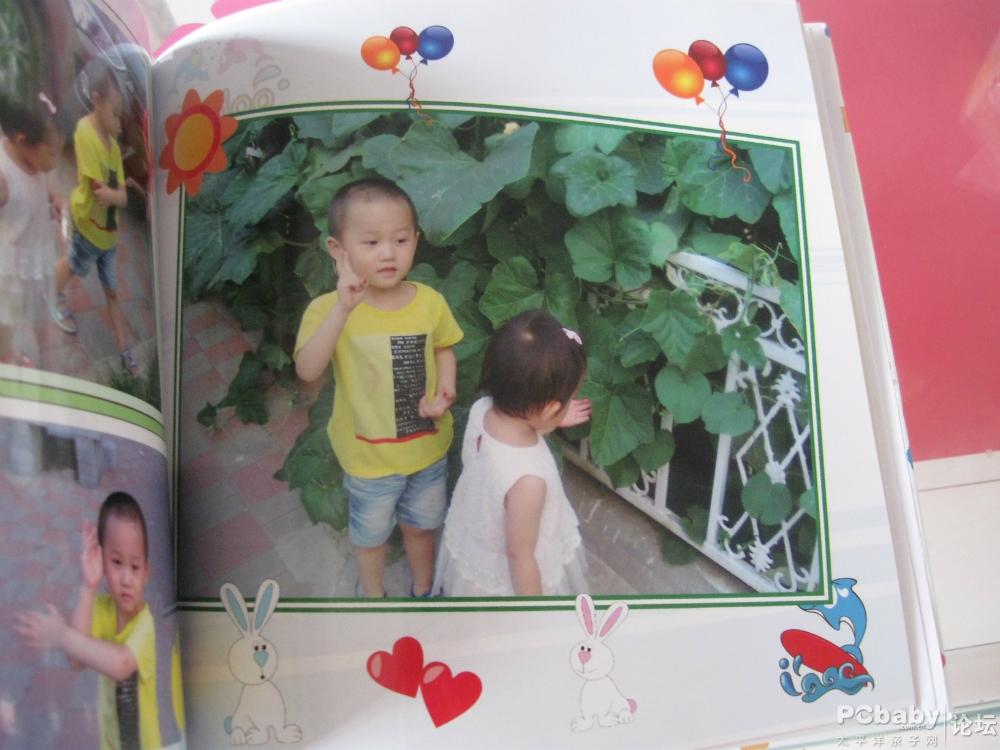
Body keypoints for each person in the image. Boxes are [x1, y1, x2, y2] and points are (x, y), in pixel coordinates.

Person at [295, 177, 463, 598]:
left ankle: (424, 590)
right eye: (371, 242)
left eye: (401, 240)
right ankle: (372, 597)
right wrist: (343, 309)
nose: (388, 253)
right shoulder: (327, 310)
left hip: (426, 452)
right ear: (338, 250)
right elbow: (308, 369)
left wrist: (445, 390)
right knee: (370, 538)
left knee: (422, 528)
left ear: (416, 241)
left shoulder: (429, 301)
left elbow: (444, 347)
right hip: (368, 461)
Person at [433, 310, 592, 597]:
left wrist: (549, 422)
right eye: (566, 401)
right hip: (513, 572)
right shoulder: (528, 481)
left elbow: (499, 454)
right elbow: (520, 556)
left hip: (478, 532)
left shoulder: (482, 410)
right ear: (549, 409)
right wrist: (531, 613)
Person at [14, 492, 163, 749]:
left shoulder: (144, 623)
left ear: (146, 572)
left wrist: (61, 635)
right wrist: (88, 586)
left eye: (135, 567)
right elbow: (76, 660)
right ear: (103, 561)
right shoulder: (102, 609)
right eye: (116, 562)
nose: (126, 578)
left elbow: (121, 664)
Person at [52, 59, 139, 376]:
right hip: (88, 228)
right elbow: (99, 191)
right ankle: (53, 294)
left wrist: (119, 192)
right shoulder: (85, 134)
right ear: (97, 99)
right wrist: (119, 192)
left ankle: (125, 351)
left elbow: (118, 195)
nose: (120, 124)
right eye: (115, 114)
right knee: (73, 265)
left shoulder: (114, 148)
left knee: (112, 291)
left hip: (108, 236)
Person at [0, 93, 66, 367]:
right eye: (51, 153)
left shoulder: (29, 159)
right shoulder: (3, 177)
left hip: (37, 257)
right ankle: (7, 359)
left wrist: (52, 197)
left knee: (37, 312)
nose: (56, 162)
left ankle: (36, 349)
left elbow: (37, 181)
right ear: (21, 140)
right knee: (6, 321)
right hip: (11, 269)